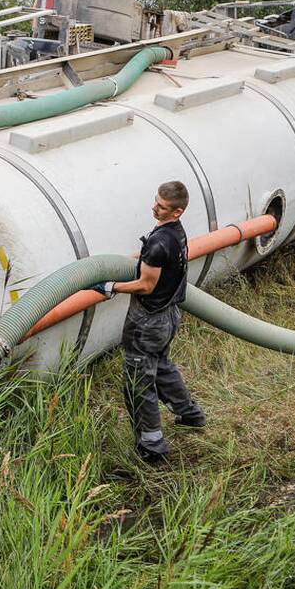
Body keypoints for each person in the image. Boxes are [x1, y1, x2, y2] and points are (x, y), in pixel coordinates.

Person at [93, 180, 207, 463]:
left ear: (177, 211)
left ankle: (151, 448)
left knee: (139, 382)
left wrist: (111, 287)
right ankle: (190, 414)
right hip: (168, 317)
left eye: (162, 207)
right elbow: (152, 262)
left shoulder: (159, 242)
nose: (154, 208)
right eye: (156, 201)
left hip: (148, 322)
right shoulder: (175, 233)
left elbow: (145, 285)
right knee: (162, 367)